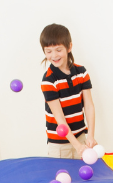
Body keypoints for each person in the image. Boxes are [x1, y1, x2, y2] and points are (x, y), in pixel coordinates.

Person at [40, 23, 97, 158]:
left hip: (81, 138)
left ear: (69, 47)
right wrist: (77, 146)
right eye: (48, 51)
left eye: (58, 49)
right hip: (59, 145)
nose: (54, 55)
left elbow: (89, 106)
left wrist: (90, 136)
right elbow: (60, 119)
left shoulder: (81, 72)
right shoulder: (49, 80)